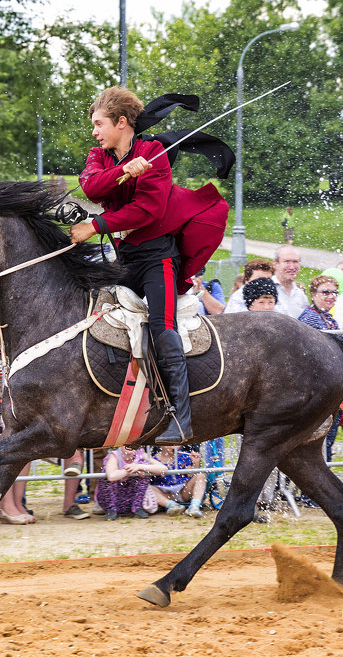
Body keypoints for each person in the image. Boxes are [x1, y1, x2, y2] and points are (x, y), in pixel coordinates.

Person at [71, 87, 229, 444]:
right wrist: (125, 171)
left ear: (122, 123)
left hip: (158, 258)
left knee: (162, 327)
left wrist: (95, 226)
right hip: (124, 259)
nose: (95, 132)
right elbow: (92, 188)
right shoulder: (100, 154)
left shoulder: (154, 152)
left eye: (99, 124)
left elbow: (148, 211)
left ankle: (181, 416)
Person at [299, 275, 342, 461]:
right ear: (313, 294)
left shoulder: (328, 317)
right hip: (316, 387)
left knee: (327, 439)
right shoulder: (310, 317)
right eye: (325, 292)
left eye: (334, 292)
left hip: (327, 385)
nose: (330, 296)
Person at [95, 445, 165, 520]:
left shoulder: (140, 453)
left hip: (130, 500)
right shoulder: (114, 455)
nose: (130, 446)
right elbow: (111, 476)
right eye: (126, 444)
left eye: (133, 443)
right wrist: (129, 470)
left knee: (145, 469)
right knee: (106, 473)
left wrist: (139, 466)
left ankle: (137, 508)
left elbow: (163, 468)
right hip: (112, 499)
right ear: (120, 445)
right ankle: (111, 510)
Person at [150, 445, 206, 517]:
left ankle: (194, 506)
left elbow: (190, 474)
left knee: (200, 476)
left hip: (183, 491)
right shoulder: (154, 459)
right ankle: (172, 505)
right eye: (168, 444)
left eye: (176, 444)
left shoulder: (183, 456)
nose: (172, 447)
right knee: (148, 488)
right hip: (165, 494)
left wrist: (196, 463)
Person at [271, 246, 308, 317]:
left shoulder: (301, 295)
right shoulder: (265, 289)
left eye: (295, 262)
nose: (292, 267)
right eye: (286, 262)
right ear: (275, 264)